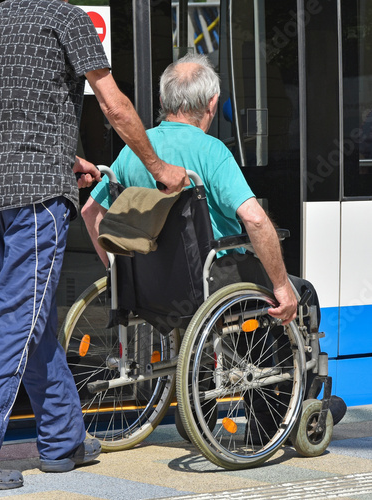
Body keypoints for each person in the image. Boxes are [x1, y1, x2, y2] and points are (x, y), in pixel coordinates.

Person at [0, 0, 189, 492]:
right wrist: (159, 169)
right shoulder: (67, 18)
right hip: (34, 196)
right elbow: (113, 105)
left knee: (30, 315)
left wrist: (62, 155)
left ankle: (63, 438)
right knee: (14, 317)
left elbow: (3, 111)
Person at [82, 53, 346, 440]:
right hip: (207, 284)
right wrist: (280, 286)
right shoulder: (211, 152)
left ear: (164, 102)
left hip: (148, 290)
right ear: (210, 104)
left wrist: (117, 270)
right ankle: (275, 421)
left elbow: (91, 212)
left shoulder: (134, 151)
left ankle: (199, 415)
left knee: (218, 304)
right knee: (296, 294)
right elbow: (254, 219)